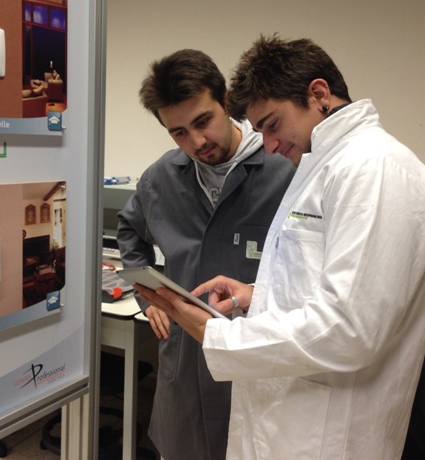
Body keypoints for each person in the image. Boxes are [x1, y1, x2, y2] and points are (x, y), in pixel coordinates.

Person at [134, 35, 425, 459]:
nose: (270, 145)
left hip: (326, 436)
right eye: (261, 130)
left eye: (273, 125)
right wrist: (258, 295)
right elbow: (332, 286)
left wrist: (215, 333)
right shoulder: (326, 165)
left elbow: (349, 330)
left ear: (318, 94)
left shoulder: (374, 169)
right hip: (290, 423)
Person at [116, 49, 295, 460]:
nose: (196, 142)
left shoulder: (284, 169)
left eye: (203, 121)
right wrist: (149, 296)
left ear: (226, 101)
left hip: (257, 354)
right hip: (185, 359)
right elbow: (130, 231)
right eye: (179, 132)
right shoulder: (160, 179)